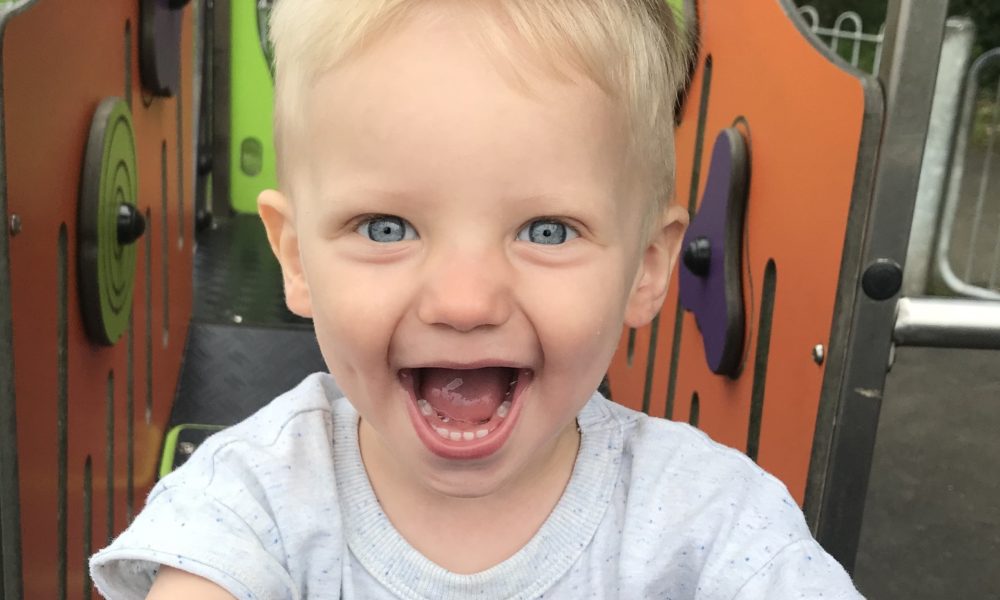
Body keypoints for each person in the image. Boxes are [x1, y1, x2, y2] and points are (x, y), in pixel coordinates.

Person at [90, 0, 863, 598]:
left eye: (547, 231)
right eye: (387, 227)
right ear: (296, 258)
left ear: (646, 267)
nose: (464, 302)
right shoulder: (254, 503)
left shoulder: (708, 526)